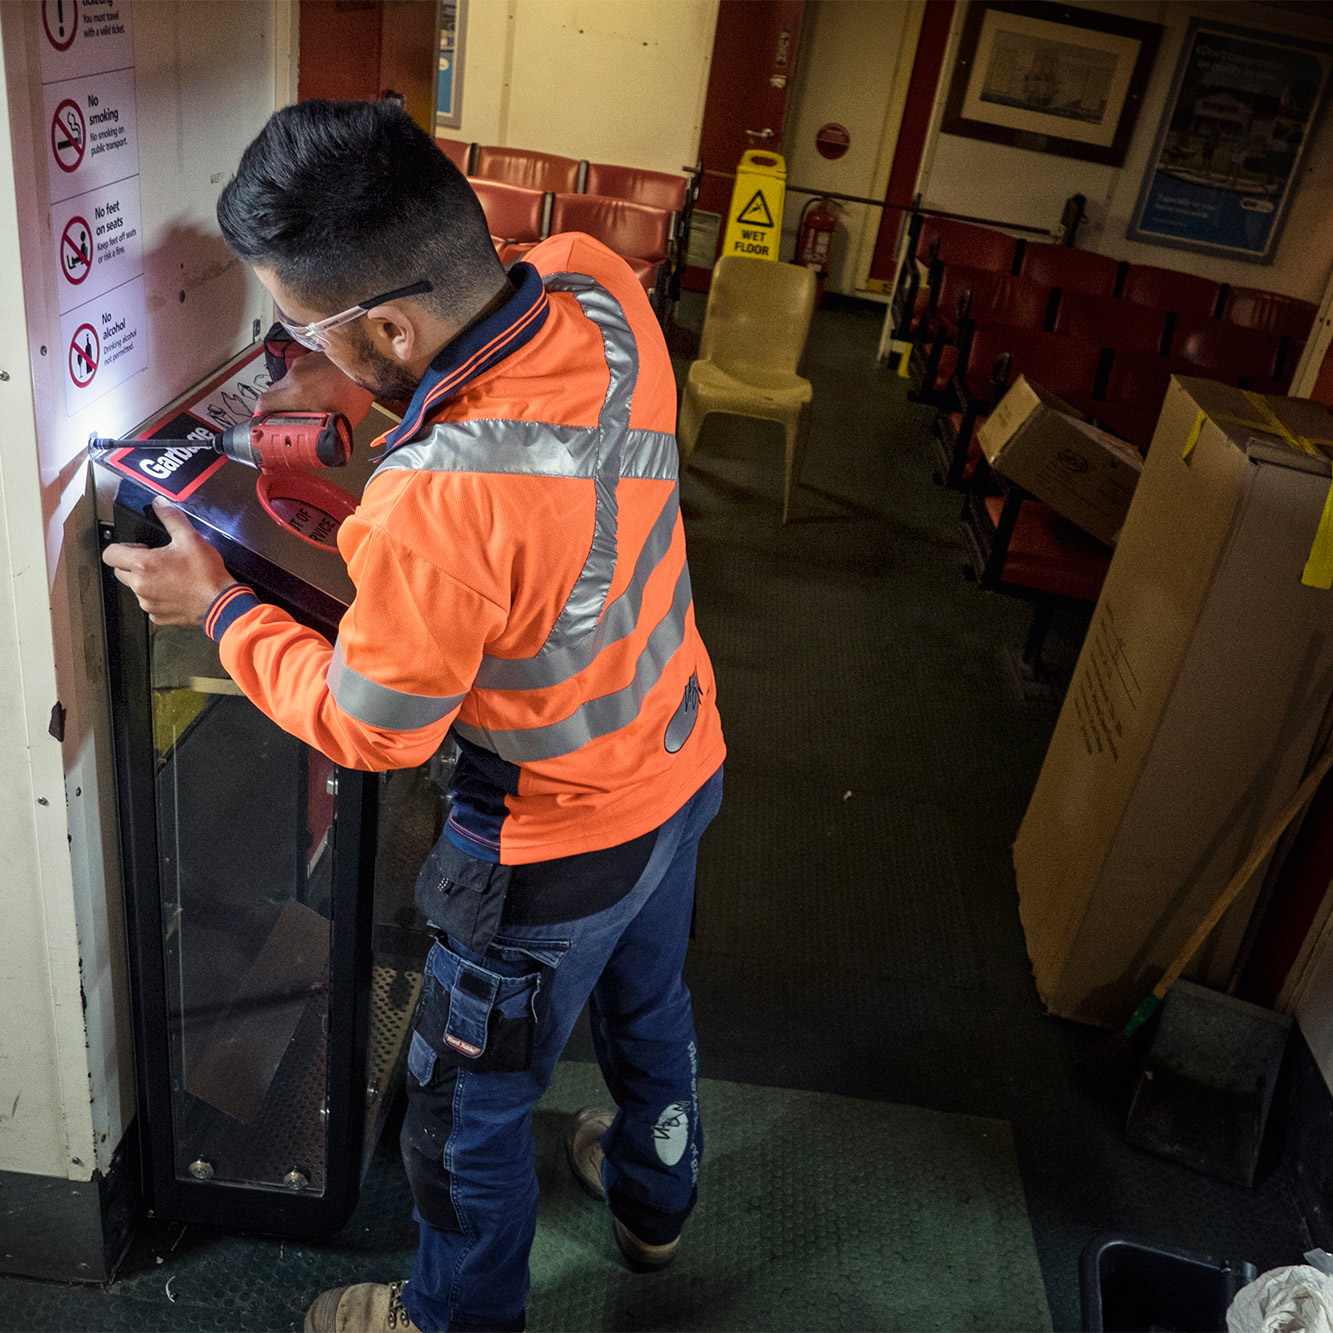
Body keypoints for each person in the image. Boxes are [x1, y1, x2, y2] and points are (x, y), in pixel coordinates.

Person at [102, 99, 725, 1333]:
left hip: (546, 845)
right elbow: (544, 497)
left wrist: (214, 606)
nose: (290, 357)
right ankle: (656, 1201)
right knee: (648, 1007)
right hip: (677, 756)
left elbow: (375, 726)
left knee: (463, 1104)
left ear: (386, 322)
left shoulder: (433, 503)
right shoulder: (594, 284)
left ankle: (451, 1319)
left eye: (294, 329)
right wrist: (377, 475)